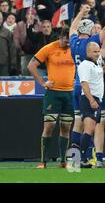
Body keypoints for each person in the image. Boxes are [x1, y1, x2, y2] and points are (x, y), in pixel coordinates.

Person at [68, 0, 105, 154]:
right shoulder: (91, 44)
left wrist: (81, 13)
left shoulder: (74, 42)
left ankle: (74, 159)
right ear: (90, 31)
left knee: (78, 123)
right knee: (90, 125)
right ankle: (85, 157)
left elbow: (72, 28)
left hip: (76, 85)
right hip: (88, 88)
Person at [27, 27, 75, 169]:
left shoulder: (74, 48)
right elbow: (31, 65)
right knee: (49, 126)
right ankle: (43, 161)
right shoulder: (49, 48)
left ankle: (63, 161)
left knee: (66, 127)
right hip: (53, 93)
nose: (67, 42)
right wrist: (42, 82)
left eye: (69, 39)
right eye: (65, 39)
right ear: (59, 37)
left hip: (70, 93)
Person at [77, 30, 105, 168]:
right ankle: (82, 159)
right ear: (87, 52)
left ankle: (83, 159)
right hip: (89, 99)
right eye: (94, 52)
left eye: (98, 51)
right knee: (89, 130)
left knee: (90, 130)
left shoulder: (95, 63)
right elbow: (84, 83)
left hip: (97, 99)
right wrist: (91, 100)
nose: (97, 54)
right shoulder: (85, 65)